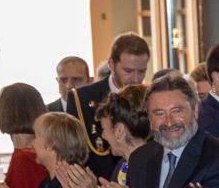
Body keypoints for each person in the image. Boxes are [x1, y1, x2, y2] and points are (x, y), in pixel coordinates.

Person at [60, 32, 151, 178]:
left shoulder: (149, 97)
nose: (135, 79)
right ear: (111, 64)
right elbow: (73, 151)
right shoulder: (81, 98)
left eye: (142, 71)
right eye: (128, 71)